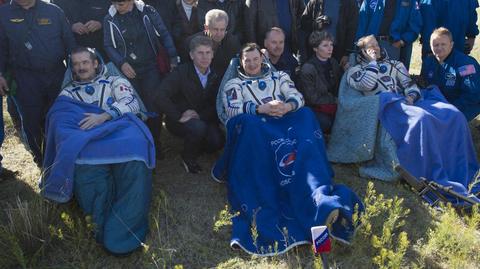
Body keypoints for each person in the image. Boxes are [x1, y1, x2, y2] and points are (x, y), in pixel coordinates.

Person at [213, 43, 363, 256]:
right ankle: (311, 211)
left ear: (262, 59)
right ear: (241, 62)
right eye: (248, 61)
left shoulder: (279, 77)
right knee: (247, 122)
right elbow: (232, 111)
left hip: (284, 124)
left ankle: (321, 207)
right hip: (260, 133)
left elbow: (298, 97)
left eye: (256, 59)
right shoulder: (234, 84)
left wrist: (287, 106)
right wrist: (260, 109)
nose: (253, 64)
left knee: (306, 115)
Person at [337, 34, 480, 203]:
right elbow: (367, 84)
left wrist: (411, 96)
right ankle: (431, 172)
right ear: (362, 52)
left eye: (376, 45)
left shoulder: (395, 65)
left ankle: (460, 168)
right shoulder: (355, 71)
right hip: (387, 105)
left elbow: (408, 84)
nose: (375, 48)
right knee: (421, 119)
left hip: (406, 100)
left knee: (453, 115)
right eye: (369, 47)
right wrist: (372, 62)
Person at [42, 47, 154, 255]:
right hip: (88, 141)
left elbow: (132, 103)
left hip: (119, 132)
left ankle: (128, 222)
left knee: (135, 163)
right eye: (75, 64)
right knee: (85, 171)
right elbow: (59, 119)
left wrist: (105, 116)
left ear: (95, 63)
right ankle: (102, 227)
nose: (80, 67)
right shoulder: (68, 93)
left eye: (85, 62)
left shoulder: (114, 82)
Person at [0, 0, 76, 166]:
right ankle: (41, 160)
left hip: (56, 75)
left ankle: (63, 157)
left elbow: (69, 40)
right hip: (23, 77)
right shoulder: (3, 14)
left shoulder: (53, 11)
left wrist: (75, 67)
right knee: (31, 121)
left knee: (59, 118)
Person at [104, 0, 178, 158]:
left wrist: (172, 56)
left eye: (121, 4)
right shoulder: (109, 18)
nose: (117, 7)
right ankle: (139, 144)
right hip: (128, 69)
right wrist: (121, 63)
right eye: (115, 3)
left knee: (153, 105)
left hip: (150, 66)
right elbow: (108, 45)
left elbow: (163, 33)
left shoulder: (147, 11)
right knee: (133, 105)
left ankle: (155, 142)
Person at [155, 35, 224, 173]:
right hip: (179, 120)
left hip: (202, 117)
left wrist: (199, 115)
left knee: (217, 141)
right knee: (198, 128)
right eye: (200, 53)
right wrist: (178, 115)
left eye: (208, 53)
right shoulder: (181, 72)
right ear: (192, 55)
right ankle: (188, 157)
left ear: (212, 55)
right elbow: (160, 95)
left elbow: (216, 103)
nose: (204, 57)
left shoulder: (216, 75)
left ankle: (196, 144)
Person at [421, 27, 480, 122]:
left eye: (443, 44)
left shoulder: (466, 65)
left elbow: (472, 95)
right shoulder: (429, 62)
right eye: (435, 45)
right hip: (440, 104)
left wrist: (449, 109)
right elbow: (425, 85)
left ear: (451, 45)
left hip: (465, 105)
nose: (439, 48)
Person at [355, 0, 422, 68]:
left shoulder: (410, 1)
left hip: (392, 46)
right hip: (370, 46)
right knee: (368, 75)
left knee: (389, 75)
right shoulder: (369, 1)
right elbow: (361, 25)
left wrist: (402, 41)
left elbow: (415, 25)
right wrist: (360, 44)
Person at [299, 31, 342, 134]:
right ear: (315, 48)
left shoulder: (334, 63)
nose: (330, 48)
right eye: (325, 45)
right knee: (325, 122)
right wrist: (335, 100)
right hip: (315, 108)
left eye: (331, 44)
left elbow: (338, 87)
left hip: (333, 105)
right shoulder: (308, 68)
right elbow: (312, 98)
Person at [300, 0, 359, 68]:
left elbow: (352, 30)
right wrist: (316, 24)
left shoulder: (350, 3)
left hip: (338, 52)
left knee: (336, 75)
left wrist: (346, 54)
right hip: (317, 51)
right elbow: (303, 24)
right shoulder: (315, 1)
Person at [245, 0, 305, 66]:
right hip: (265, 55)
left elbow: (302, 16)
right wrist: (256, 51)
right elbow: (249, 26)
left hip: (288, 51)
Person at [186, 9, 240, 76]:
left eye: (222, 29)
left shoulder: (233, 42)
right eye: (215, 29)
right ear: (206, 27)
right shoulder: (191, 42)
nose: (219, 34)